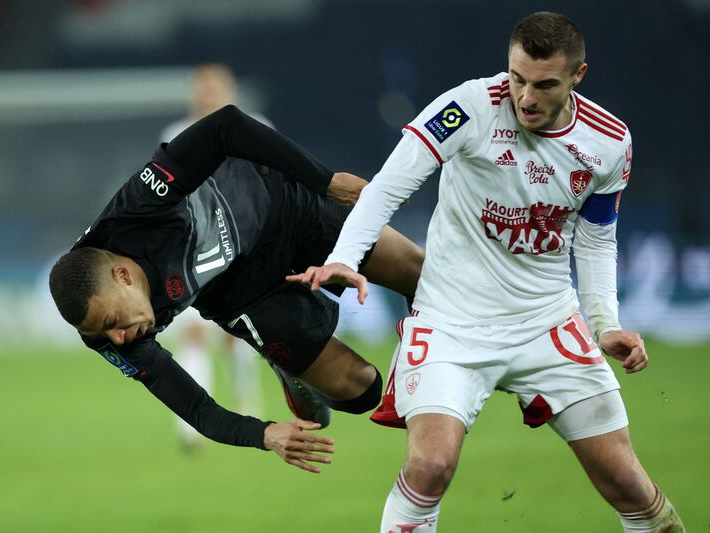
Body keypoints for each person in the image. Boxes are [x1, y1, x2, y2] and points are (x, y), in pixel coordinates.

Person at [289, 11, 684, 530]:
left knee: (627, 483)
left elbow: (595, 237)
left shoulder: (609, 142)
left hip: (547, 321)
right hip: (450, 320)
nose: (525, 97)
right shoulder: (468, 107)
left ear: (577, 77)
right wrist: (344, 254)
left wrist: (605, 323)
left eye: (544, 85)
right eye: (517, 78)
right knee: (430, 465)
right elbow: (388, 185)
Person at [48, 103, 424, 473]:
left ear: (123, 276)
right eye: (102, 333)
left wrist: (328, 182)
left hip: (283, 205)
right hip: (245, 296)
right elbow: (195, 408)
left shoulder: (140, 206)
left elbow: (225, 126)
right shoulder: (105, 331)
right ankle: (289, 368)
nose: (118, 337)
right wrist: (265, 434)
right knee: (362, 391)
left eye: (112, 321)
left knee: (420, 274)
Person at [160, 63, 271, 451]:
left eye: (214, 88)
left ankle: (247, 399)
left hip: (244, 247)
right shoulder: (175, 134)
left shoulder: (256, 127)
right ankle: (190, 427)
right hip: (194, 248)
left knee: (236, 334)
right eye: (201, 88)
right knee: (193, 334)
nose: (206, 95)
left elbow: (272, 187)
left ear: (231, 91)